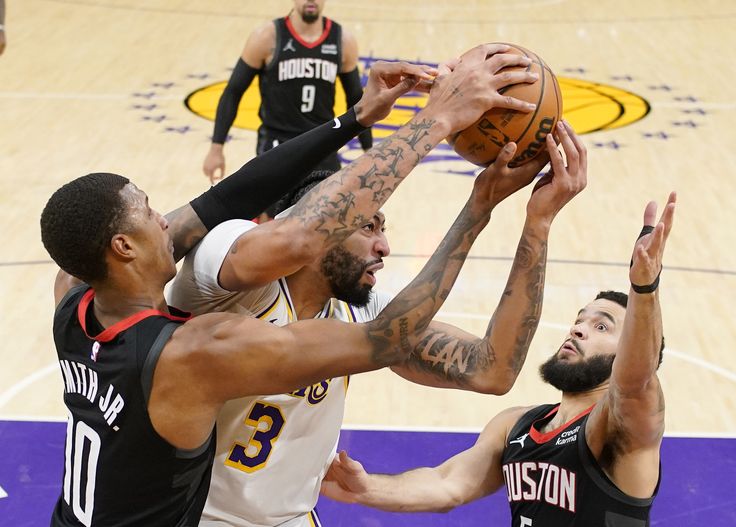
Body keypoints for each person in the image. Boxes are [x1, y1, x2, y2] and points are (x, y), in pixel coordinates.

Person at [41, 45, 538, 526]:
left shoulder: (75, 296)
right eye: (368, 224)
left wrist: (357, 118)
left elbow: (225, 196)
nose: (167, 221)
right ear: (124, 248)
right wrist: (441, 129)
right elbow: (301, 247)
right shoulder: (201, 330)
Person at [168, 119, 587, 527]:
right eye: (369, 225)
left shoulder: (361, 314)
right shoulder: (224, 277)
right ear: (322, 226)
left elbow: (491, 369)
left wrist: (536, 223)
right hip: (193, 516)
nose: (384, 246)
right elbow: (287, 239)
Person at [321, 192, 677, 526]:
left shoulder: (623, 425)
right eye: (580, 320)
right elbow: (449, 484)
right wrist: (368, 488)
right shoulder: (515, 424)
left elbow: (635, 382)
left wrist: (644, 289)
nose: (578, 330)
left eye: (602, 326)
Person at [203, 0, 373, 196]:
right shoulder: (267, 37)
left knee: (329, 217)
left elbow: (356, 100)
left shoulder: (342, 40)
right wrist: (216, 147)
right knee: (272, 218)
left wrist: (368, 150)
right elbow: (233, 92)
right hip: (277, 143)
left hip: (322, 142)